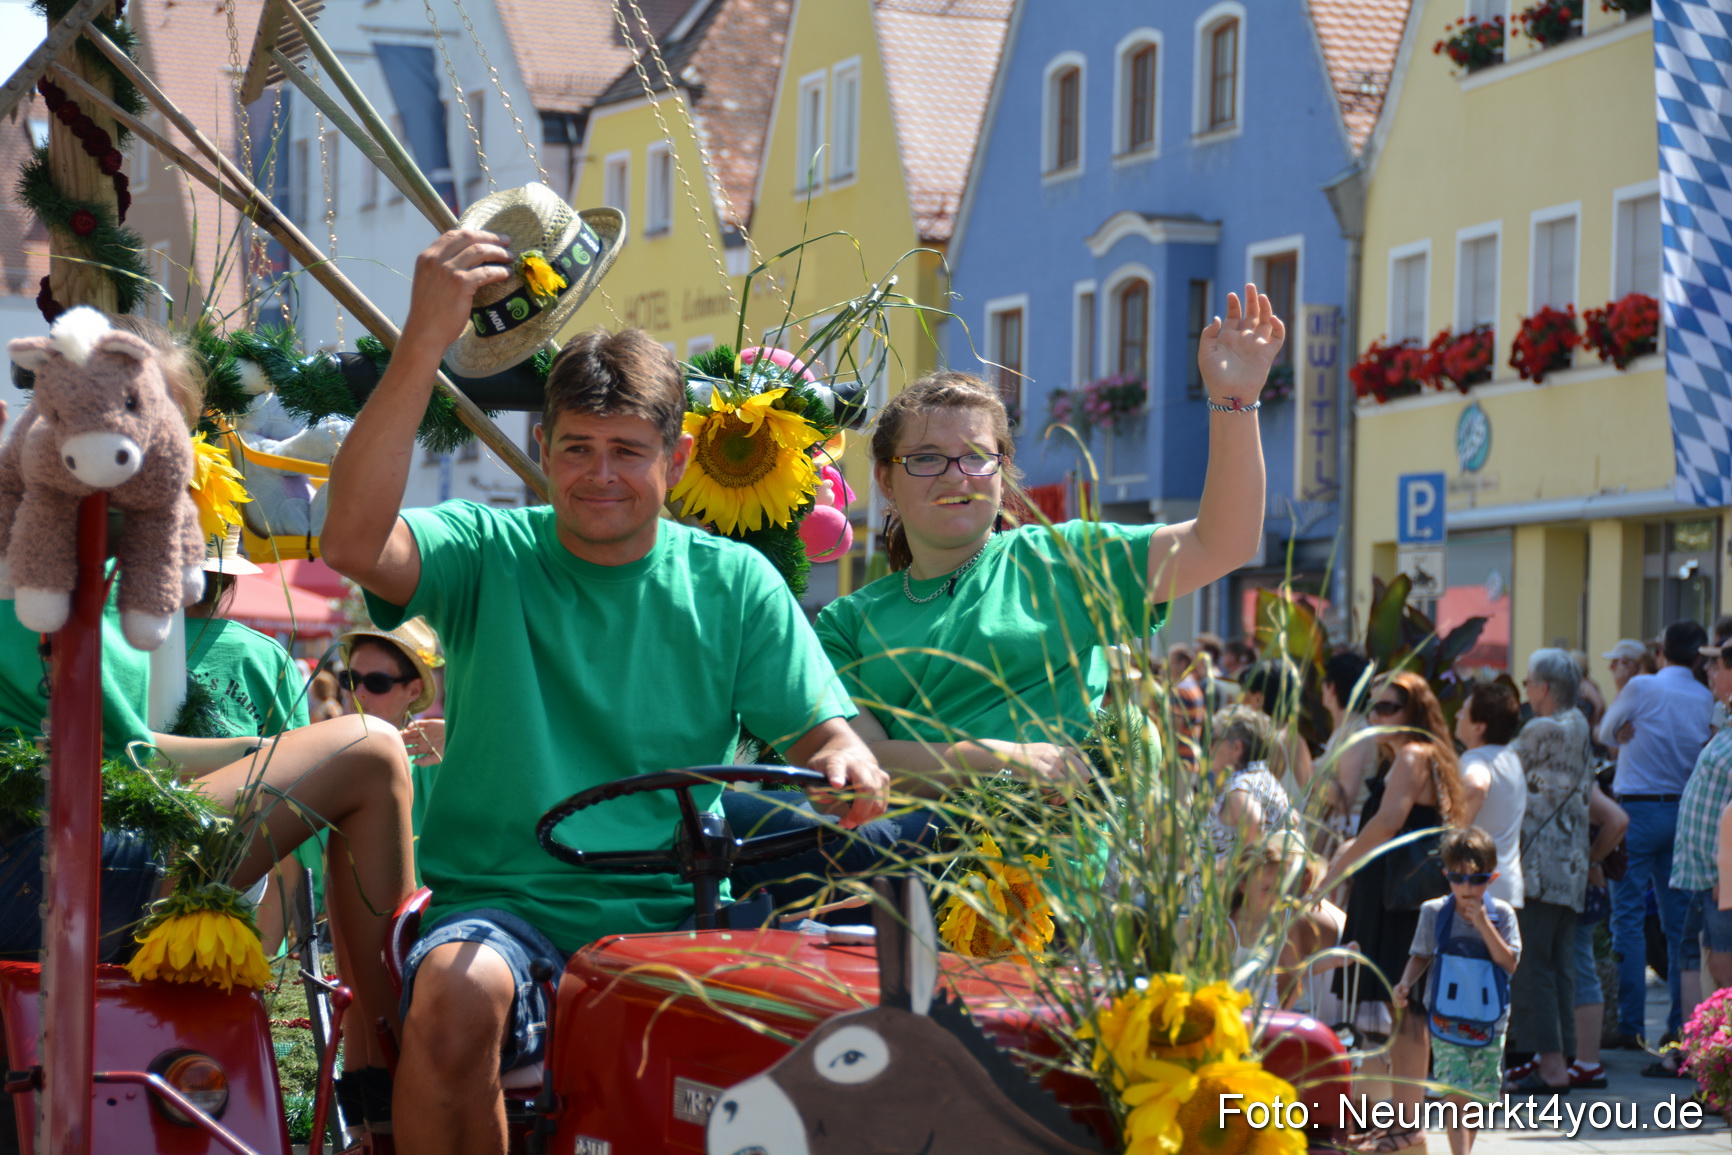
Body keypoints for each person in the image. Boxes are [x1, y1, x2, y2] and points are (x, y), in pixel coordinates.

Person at [320, 227, 888, 1155]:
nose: (600, 475)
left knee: (841, 1026)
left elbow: (823, 737)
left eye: (627, 449)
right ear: (542, 446)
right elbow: (349, 542)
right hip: (506, 906)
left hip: (686, 918)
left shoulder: (736, 582)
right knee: (457, 992)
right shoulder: (487, 551)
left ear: (675, 451)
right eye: (577, 448)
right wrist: (423, 341)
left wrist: (846, 761)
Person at [0, 317, 415, 1140]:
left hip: (95, 838)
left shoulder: (98, 587)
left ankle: (378, 1068)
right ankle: (383, 1077)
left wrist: (275, 756)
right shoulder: (35, 554)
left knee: (365, 753)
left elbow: (136, 755)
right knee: (371, 751)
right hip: (49, 864)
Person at [815, 283, 1282, 802]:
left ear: (1002, 469)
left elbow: (1224, 543)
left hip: (1052, 873)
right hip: (905, 872)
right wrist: (1006, 759)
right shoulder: (847, 623)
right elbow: (860, 759)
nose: (955, 476)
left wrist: (1234, 401)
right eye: (925, 458)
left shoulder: (1062, 560)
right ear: (885, 479)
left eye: (975, 456)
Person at [1318, 671, 1465, 1151]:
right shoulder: (1420, 756)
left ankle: (1406, 1127)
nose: (1377, 717)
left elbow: (1386, 824)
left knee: (1406, 1013)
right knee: (1401, 1011)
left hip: (1398, 904)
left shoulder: (1411, 754)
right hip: (1396, 899)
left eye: (1389, 708)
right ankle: (1397, 1124)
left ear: (1414, 713)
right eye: (1373, 707)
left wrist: (1334, 870)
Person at [1597, 620, 1716, 1047]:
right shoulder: (1706, 696)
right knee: (1679, 922)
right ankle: (1681, 1027)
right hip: (1682, 811)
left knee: (1626, 917)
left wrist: (1623, 734)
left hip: (1638, 809)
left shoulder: (1643, 688)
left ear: (1662, 650)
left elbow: (1605, 731)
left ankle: (1629, 1025)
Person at [1392, 827, 1520, 1155]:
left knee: (1477, 1094)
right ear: (1445, 875)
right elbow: (1420, 954)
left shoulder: (1502, 914)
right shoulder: (1434, 912)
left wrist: (1483, 925)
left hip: (1490, 1021)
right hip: (1445, 1018)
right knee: (1454, 1091)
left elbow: (1509, 963)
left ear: (1492, 878)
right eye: (1457, 878)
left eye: (1476, 879)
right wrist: (1405, 983)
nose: (1466, 887)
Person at [1504, 649, 1595, 1096]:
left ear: (1543, 687)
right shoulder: (1579, 724)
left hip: (1538, 865)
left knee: (1533, 967)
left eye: (1527, 684)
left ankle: (1553, 1067)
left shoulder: (1542, 728)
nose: (1525, 692)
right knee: (1559, 967)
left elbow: (1501, 767)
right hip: (1572, 867)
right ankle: (1558, 1060)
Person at [1669, 638, 1732, 996]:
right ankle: (1699, 1048)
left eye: (1718, 666)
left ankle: (1718, 1049)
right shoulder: (1726, 718)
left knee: (1723, 969)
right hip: (1707, 875)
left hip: (1722, 880)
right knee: (1702, 962)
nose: (1709, 672)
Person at [1452, 682, 1525, 912]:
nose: (1457, 715)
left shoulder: (1474, 758)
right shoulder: (1511, 757)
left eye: (1464, 712)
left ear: (1479, 727)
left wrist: (1454, 833)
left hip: (1477, 888)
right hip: (1508, 884)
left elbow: (1476, 787)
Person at [1204, 705, 1297, 862]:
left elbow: (1255, 822)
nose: (1209, 747)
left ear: (1237, 748)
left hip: (1229, 886)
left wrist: (1244, 874)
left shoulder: (1239, 787)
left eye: (1214, 739)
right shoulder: (1265, 779)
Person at [1319, 650, 1375, 852]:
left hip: (1348, 833)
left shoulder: (1354, 732)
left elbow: (1344, 796)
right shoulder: (1350, 728)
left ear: (1331, 687)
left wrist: (1308, 772)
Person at [1238, 659, 1315, 803]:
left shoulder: (1269, 743)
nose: (1240, 703)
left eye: (1244, 694)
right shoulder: (1298, 739)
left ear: (1258, 699)